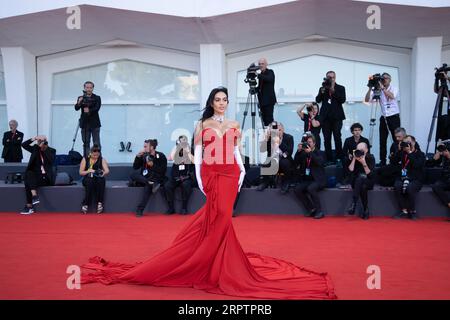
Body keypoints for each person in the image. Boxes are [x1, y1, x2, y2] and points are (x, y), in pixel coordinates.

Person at [80, 87, 336, 300]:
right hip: (212, 176)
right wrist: (201, 180)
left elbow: (235, 151)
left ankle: (216, 264)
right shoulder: (202, 124)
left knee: (221, 218)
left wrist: (243, 172)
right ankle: (208, 264)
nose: (222, 103)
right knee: (219, 216)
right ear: (211, 102)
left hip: (231, 174)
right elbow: (199, 155)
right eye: (218, 99)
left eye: (225, 99)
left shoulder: (234, 123)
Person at [364, 73, 401, 166]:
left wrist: (382, 88)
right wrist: (370, 88)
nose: (384, 80)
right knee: (382, 140)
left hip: (394, 116)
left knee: (396, 139)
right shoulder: (377, 89)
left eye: (385, 78)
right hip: (384, 117)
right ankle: (383, 161)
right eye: (382, 79)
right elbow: (367, 100)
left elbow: (392, 96)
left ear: (390, 79)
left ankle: (396, 159)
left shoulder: (394, 88)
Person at [130, 139, 167, 217]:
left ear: (152, 147)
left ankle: (140, 210)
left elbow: (162, 171)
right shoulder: (144, 155)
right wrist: (137, 157)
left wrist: (152, 165)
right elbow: (135, 167)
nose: (144, 148)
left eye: (146, 146)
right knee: (133, 175)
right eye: (144, 146)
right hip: (145, 178)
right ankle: (149, 182)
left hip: (156, 178)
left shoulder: (161, 156)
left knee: (148, 188)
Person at [293, 133, 327, 219]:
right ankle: (311, 208)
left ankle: (320, 211)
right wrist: (298, 151)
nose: (308, 144)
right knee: (297, 189)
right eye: (307, 142)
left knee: (311, 188)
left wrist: (311, 153)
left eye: (310, 142)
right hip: (308, 180)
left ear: (314, 143)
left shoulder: (320, 153)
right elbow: (296, 162)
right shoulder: (304, 154)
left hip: (319, 180)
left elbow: (319, 162)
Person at [315, 71, 346, 165]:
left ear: (335, 78)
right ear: (326, 77)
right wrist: (323, 91)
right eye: (329, 77)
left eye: (332, 77)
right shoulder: (323, 88)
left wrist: (333, 91)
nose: (330, 78)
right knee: (327, 138)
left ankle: (339, 158)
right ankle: (328, 158)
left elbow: (342, 100)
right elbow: (318, 100)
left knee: (337, 137)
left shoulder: (341, 88)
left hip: (337, 117)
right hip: (325, 118)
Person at [19, 136, 56, 215]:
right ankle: (34, 196)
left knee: (27, 180)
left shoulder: (52, 151)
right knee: (29, 174)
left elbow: (51, 160)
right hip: (35, 176)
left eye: (43, 142)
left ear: (46, 142)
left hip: (45, 177)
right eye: (39, 141)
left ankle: (29, 206)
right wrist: (34, 138)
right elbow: (23, 145)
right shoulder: (35, 149)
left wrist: (44, 148)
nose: (41, 143)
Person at [392, 135, 425, 220]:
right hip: (404, 177)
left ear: (413, 142)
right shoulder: (402, 153)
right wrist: (398, 150)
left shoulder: (420, 154)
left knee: (410, 187)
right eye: (405, 143)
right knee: (397, 185)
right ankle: (404, 210)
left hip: (416, 179)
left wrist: (410, 152)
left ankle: (413, 211)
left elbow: (416, 165)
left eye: (408, 142)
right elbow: (393, 161)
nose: (406, 145)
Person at [257, 121, 294, 194]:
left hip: (285, 160)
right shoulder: (271, 138)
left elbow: (289, 152)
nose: (278, 132)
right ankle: (265, 182)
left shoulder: (289, 137)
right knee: (266, 162)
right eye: (276, 130)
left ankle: (286, 182)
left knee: (284, 162)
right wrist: (266, 139)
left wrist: (280, 142)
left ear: (283, 130)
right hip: (274, 160)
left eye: (279, 130)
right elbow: (262, 149)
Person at [163, 135, 194, 215]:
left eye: (184, 141)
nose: (182, 143)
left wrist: (187, 151)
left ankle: (184, 208)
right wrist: (176, 148)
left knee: (186, 185)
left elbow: (194, 161)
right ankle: (171, 208)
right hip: (176, 176)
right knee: (167, 186)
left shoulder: (190, 150)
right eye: (180, 141)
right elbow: (170, 158)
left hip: (187, 177)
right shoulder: (176, 149)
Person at [347, 142, 376, 220]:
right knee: (362, 185)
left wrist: (363, 162)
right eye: (357, 150)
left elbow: (370, 175)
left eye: (361, 150)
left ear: (366, 150)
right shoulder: (355, 157)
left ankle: (354, 203)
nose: (359, 151)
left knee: (361, 178)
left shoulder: (370, 157)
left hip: (368, 181)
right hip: (357, 182)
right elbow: (350, 170)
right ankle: (366, 210)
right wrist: (354, 159)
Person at [79, 144, 110, 214]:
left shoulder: (102, 159)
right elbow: (81, 172)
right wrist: (88, 171)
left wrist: (103, 172)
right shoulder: (85, 159)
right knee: (90, 182)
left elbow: (107, 170)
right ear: (90, 153)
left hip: (97, 177)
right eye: (94, 155)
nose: (96, 157)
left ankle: (100, 203)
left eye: (97, 155)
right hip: (88, 178)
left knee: (101, 180)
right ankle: (85, 204)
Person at [74, 81, 102, 158]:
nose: (89, 89)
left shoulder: (97, 98)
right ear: (84, 88)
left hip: (95, 124)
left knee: (96, 143)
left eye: (90, 87)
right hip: (84, 123)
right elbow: (76, 108)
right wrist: (79, 102)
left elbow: (97, 108)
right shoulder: (81, 97)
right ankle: (86, 161)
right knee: (86, 143)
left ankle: (98, 161)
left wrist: (89, 110)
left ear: (93, 88)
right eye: (87, 87)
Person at [430, 140, 450, 221]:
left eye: (444, 150)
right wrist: (438, 152)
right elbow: (433, 162)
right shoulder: (443, 157)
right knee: (436, 186)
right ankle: (449, 203)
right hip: (445, 180)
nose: (443, 152)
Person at [257, 58, 277, 127]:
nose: (261, 65)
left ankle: (273, 137)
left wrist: (257, 75)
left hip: (268, 101)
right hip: (262, 102)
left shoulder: (270, 72)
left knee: (270, 121)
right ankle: (266, 136)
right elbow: (260, 88)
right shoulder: (261, 75)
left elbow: (269, 79)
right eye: (259, 64)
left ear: (266, 64)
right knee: (264, 121)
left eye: (262, 64)